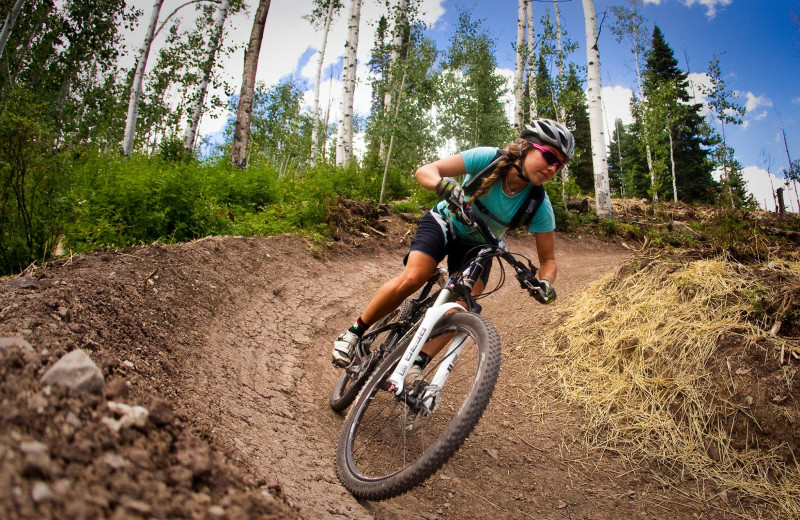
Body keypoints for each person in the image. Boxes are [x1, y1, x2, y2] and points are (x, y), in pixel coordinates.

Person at [332, 119, 576, 385]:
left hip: (480, 247)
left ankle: (416, 364)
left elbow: (548, 260)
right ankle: (354, 333)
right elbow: (426, 170)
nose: (553, 168)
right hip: (445, 223)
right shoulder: (489, 158)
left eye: (560, 165)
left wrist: (544, 282)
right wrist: (440, 184)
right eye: (550, 156)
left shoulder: (538, 203)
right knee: (415, 276)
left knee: (465, 302)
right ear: (528, 146)